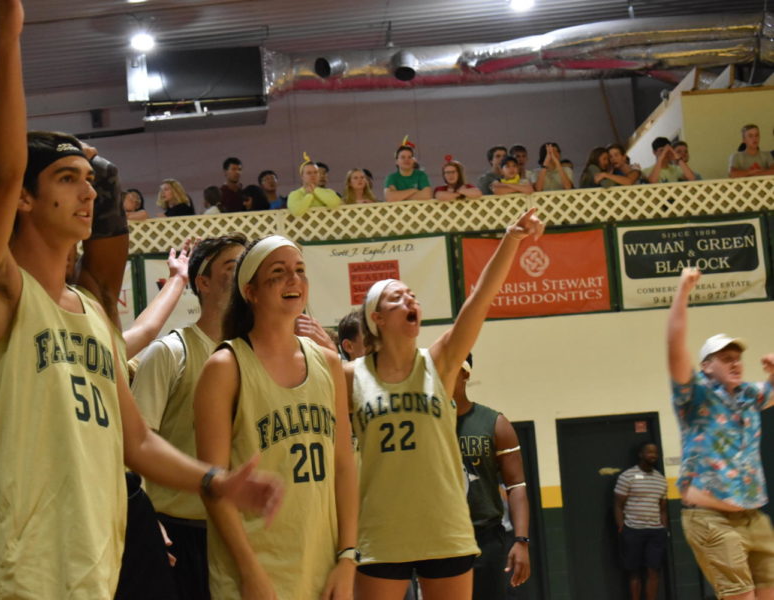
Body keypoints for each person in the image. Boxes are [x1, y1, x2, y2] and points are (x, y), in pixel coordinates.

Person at [0, 3, 282, 597]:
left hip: (94, 568)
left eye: (87, 178)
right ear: (26, 199)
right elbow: (3, 173)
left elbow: (139, 442)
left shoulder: (94, 317)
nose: (87, 191)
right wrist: (8, 36)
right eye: (67, 178)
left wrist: (216, 480)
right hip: (16, 574)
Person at [349, 209, 543, 600]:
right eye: (396, 296)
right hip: (381, 528)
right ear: (377, 318)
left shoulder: (440, 361)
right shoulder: (349, 376)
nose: (409, 298)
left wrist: (510, 240)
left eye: (412, 295)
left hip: (444, 526)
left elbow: (480, 299)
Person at [194, 235, 358, 599]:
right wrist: (250, 573)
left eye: (300, 270)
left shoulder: (329, 363)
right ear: (250, 291)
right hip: (251, 573)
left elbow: (344, 465)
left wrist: (348, 558)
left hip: (322, 567)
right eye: (279, 273)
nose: (294, 280)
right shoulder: (225, 366)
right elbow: (213, 487)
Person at [131, 234, 247, 600]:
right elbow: (134, 449)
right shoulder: (168, 353)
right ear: (204, 282)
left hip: (242, 531)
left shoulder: (257, 355)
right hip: (180, 531)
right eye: (233, 266)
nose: (244, 273)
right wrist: (148, 527)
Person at [668, 267, 774, 600]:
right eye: (725, 358)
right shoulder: (694, 397)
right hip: (710, 519)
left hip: (753, 517)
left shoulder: (749, 396)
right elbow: (675, 345)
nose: (735, 364)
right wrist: (683, 291)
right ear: (706, 366)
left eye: (738, 359)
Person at [455, 354, 531, 599]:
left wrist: (521, 540)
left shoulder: (494, 423)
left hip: (484, 538)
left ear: (465, 374)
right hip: (440, 540)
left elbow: (516, 485)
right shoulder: (427, 425)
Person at [614, 442, 669, 600]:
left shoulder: (660, 479)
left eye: (655, 453)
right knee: (634, 571)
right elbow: (618, 505)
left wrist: (663, 528)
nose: (653, 455)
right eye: (649, 452)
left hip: (655, 532)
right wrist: (621, 528)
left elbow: (663, 508)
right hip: (633, 530)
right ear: (641, 454)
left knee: (653, 571)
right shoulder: (627, 476)